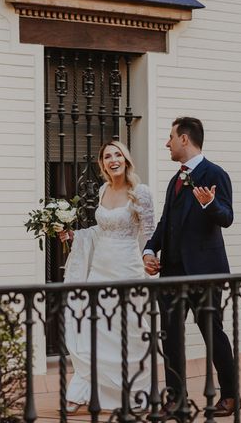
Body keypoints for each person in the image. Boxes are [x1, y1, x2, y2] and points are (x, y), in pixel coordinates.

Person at [143, 116, 239, 418]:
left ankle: (230, 396)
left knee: (212, 333)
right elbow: (165, 222)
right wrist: (149, 249)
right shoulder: (176, 179)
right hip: (171, 272)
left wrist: (210, 204)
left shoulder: (216, 173)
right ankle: (176, 399)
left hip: (205, 271)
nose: (166, 143)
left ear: (185, 139)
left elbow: (226, 217)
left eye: (170, 137)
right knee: (170, 336)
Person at [57, 140, 154, 414]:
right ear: (103, 164)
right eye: (107, 156)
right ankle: (83, 390)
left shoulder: (141, 192)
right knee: (94, 329)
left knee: (128, 330)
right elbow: (99, 231)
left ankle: (132, 391)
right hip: (100, 269)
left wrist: (150, 257)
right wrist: (75, 235)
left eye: (117, 154)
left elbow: (150, 233)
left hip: (127, 269)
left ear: (126, 159)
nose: (113, 160)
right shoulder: (102, 190)